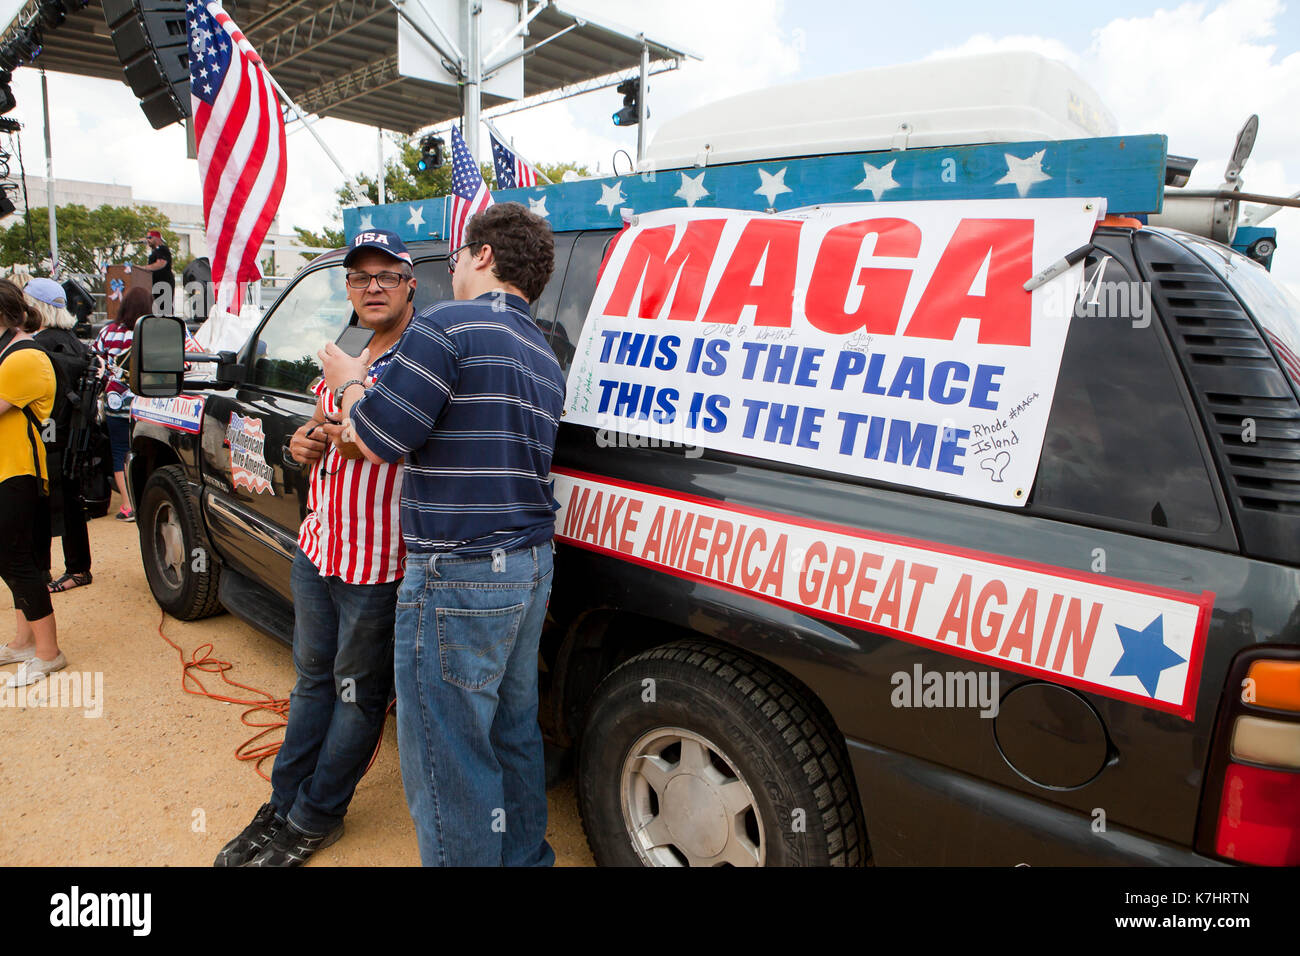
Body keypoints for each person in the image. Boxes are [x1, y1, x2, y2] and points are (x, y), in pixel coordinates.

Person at [321, 202, 565, 867]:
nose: (451, 270)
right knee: (512, 733)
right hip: (530, 566)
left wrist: (348, 385)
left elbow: (377, 437)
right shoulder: (543, 350)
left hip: (457, 574)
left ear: (482, 256)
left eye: (456, 257)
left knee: (447, 755)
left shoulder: (447, 324)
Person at [215, 229, 415, 867]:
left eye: (387, 275)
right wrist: (302, 442)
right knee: (311, 684)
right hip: (320, 543)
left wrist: (343, 426)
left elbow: (394, 441)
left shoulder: (424, 356)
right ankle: (283, 803)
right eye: (360, 277)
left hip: (377, 560)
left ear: (412, 282)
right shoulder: (352, 344)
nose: (372, 287)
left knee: (356, 694)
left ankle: (316, 816)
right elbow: (326, 427)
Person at [0, 278, 65, 687]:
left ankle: (48, 652)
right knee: (13, 558)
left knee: (15, 558)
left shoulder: (22, 357)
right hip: (9, 469)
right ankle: (24, 642)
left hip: (18, 471)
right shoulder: (10, 352)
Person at [26, 278, 94, 593]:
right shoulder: (77, 343)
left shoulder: (37, 347)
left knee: (43, 507)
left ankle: (45, 571)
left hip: (45, 440)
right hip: (74, 440)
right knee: (71, 503)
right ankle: (78, 568)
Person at [95, 286, 149, 521]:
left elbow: (95, 361)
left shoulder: (108, 332)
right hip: (148, 402)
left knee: (120, 451)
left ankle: (128, 506)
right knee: (146, 449)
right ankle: (146, 501)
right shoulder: (153, 331)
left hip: (116, 402)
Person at [140, 229, 175, 315]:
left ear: (157, 238)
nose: (148, 240)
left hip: (163, 283)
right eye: (147, 238)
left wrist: (144, 268)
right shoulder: (155, 251)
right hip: (157, 283)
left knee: (164, 308)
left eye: (150, 237)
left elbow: (161, 263)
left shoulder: (162, 249)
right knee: (159, 309)